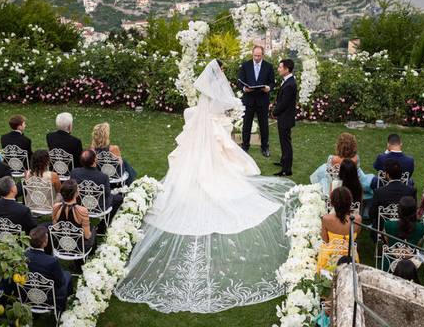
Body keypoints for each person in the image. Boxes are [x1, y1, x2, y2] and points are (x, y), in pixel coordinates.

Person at [115, 59, 295, 313]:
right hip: (213, 129)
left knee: (200, 160)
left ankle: (200, 177)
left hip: (207, 130)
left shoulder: (205, 90)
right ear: (217, 71)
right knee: (219, 163)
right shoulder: (217, 91)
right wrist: (233, 110)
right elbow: (224, 107)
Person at [237, 45, 275, 157]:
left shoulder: (268, 66)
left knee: (264, 126)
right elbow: (239, 81)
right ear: (252, 54)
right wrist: (244, 88)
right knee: (246, 125)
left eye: (259, 56)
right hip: (248, 100)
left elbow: (272, 82)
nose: (257, 58)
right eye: (255, 55)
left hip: (262, 100)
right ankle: (245, 146)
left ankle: (265, 147)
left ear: (263, 55)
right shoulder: (245, 65)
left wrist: (269, 88)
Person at [26, 226, 72, 311]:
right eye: (47, 238)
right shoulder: (51, 261)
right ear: (44, 243)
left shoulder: (23, 256)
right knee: (67, 275)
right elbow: (61, 282)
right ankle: (62, 306)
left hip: (27, 294)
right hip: (48, 297)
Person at [317, 186, 361, 272]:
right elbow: (355, 237)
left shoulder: (326, 219)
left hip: (329, 257)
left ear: (333, 203)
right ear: (350, 202)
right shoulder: (358, 219)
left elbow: (325, 241)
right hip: (350, 256)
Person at [70, 149, 121, 216]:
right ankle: (104, 223)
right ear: (95, 160)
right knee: (120, 198)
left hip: (81, 204)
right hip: (99, 207)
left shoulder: (74, 172)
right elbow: (107, 194)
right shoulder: (103, 177)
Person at [380, 196, 424, 271]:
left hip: (390, 262)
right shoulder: (421, 227)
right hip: (410, 265)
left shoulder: (388, 224)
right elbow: (417, 244)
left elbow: (387, 242)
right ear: (415, 211)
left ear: (399, 210)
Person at [52, 179, 94, 250]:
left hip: (61, 244)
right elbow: (87, 236)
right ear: (76, 193)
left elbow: (55, 228)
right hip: (78, 247)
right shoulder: (82, 211)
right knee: (93, 229)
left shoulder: (56, 207)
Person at [272, 58, 297, 176]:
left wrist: (274, 112)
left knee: (286, 143)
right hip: (284, 117)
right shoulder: (287, 81)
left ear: (287, 69)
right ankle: (284, 161)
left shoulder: (290, 84)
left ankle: (287, 169)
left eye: (280, 67)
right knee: (284, 141)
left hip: (285, 118)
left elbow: (284, 103)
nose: (278, 69)